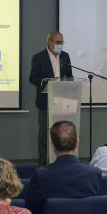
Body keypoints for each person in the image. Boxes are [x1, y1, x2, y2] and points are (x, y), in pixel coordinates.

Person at [26, 121, 101, 214]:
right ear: (77, 143)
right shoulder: (94, 173)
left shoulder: (41, 175)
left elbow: (30, 209)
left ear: (52, 145)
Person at [29, 31, 74, 165]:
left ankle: (61, 161)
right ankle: (43, 162)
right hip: (45, 101)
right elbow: (32, 78)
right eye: (57, 42)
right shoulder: (38, 57)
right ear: (49, 42)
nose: (60, 45)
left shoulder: (65, 56)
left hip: (63, 100)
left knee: (63, 132)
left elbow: (69, 76)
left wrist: (66, 81)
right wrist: (47, 82)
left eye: (62, 42)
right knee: (44, 133)